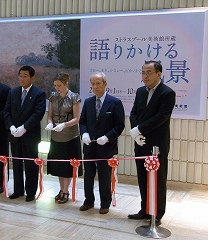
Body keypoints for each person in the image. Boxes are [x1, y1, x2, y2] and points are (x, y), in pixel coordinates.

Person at [128, 60, 176, 226]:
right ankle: (144, 210)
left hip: (157, 144)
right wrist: (135, 130)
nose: (145, 76)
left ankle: (157, 213)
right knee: (142, 177)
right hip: (140, 142)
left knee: (157, 179)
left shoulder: (167, 93)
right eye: (143, 72)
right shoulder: (140, 91)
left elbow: (161, 117)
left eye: (149, 72)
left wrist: (139, 129)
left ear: (158, 74)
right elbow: (134, 112)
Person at [79, 72, 125, 214]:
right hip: (89, 146)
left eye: (98, 83)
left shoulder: (115, 102)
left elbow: (119, 125)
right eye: (93, 83)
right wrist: (84, 133)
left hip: (106, 147)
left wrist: (107, 137)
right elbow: (83, 122)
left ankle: (105, 203)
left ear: (105, 84)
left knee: (104, 176)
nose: (95, 86)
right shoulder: (88, 102)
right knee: (88, 175)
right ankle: (88, 201)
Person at [4, 65, 46, 202]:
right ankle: (18, 190)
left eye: (25, 76)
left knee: (30, 165)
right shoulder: (13, 92)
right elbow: (7, 111)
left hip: (29, 135)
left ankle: (31, 191)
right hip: (14, 134)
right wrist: (11, 126)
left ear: (32, 78)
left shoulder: (39, 93)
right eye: (20, 75)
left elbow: (38, 114)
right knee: (16, 164)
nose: (22, 78)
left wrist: (24, 127)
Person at [45, 72, 83, 204]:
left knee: (67, 166)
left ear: (66, 84)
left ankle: (66, 191)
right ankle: (61, 189)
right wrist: (50, 123)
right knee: (59, 165)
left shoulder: (74, 97)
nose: (57, 88)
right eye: (55, 85)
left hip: (70, 135)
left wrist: (64, 125)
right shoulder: (53, 97)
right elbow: (49, 115)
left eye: (59, 85)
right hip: (56, 135)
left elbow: (77, 118)